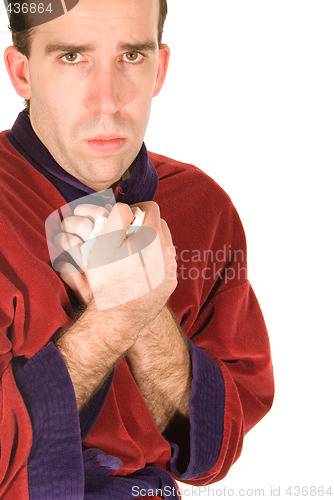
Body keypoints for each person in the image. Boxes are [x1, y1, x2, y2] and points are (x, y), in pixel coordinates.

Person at [0, 0, 274, 498]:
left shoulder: (202, 207)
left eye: (131, 57)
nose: (107, 101)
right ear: (21, 72)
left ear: (160, 68)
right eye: (71, 57)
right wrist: (117, 318)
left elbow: (216, 448)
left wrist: (150, 319)